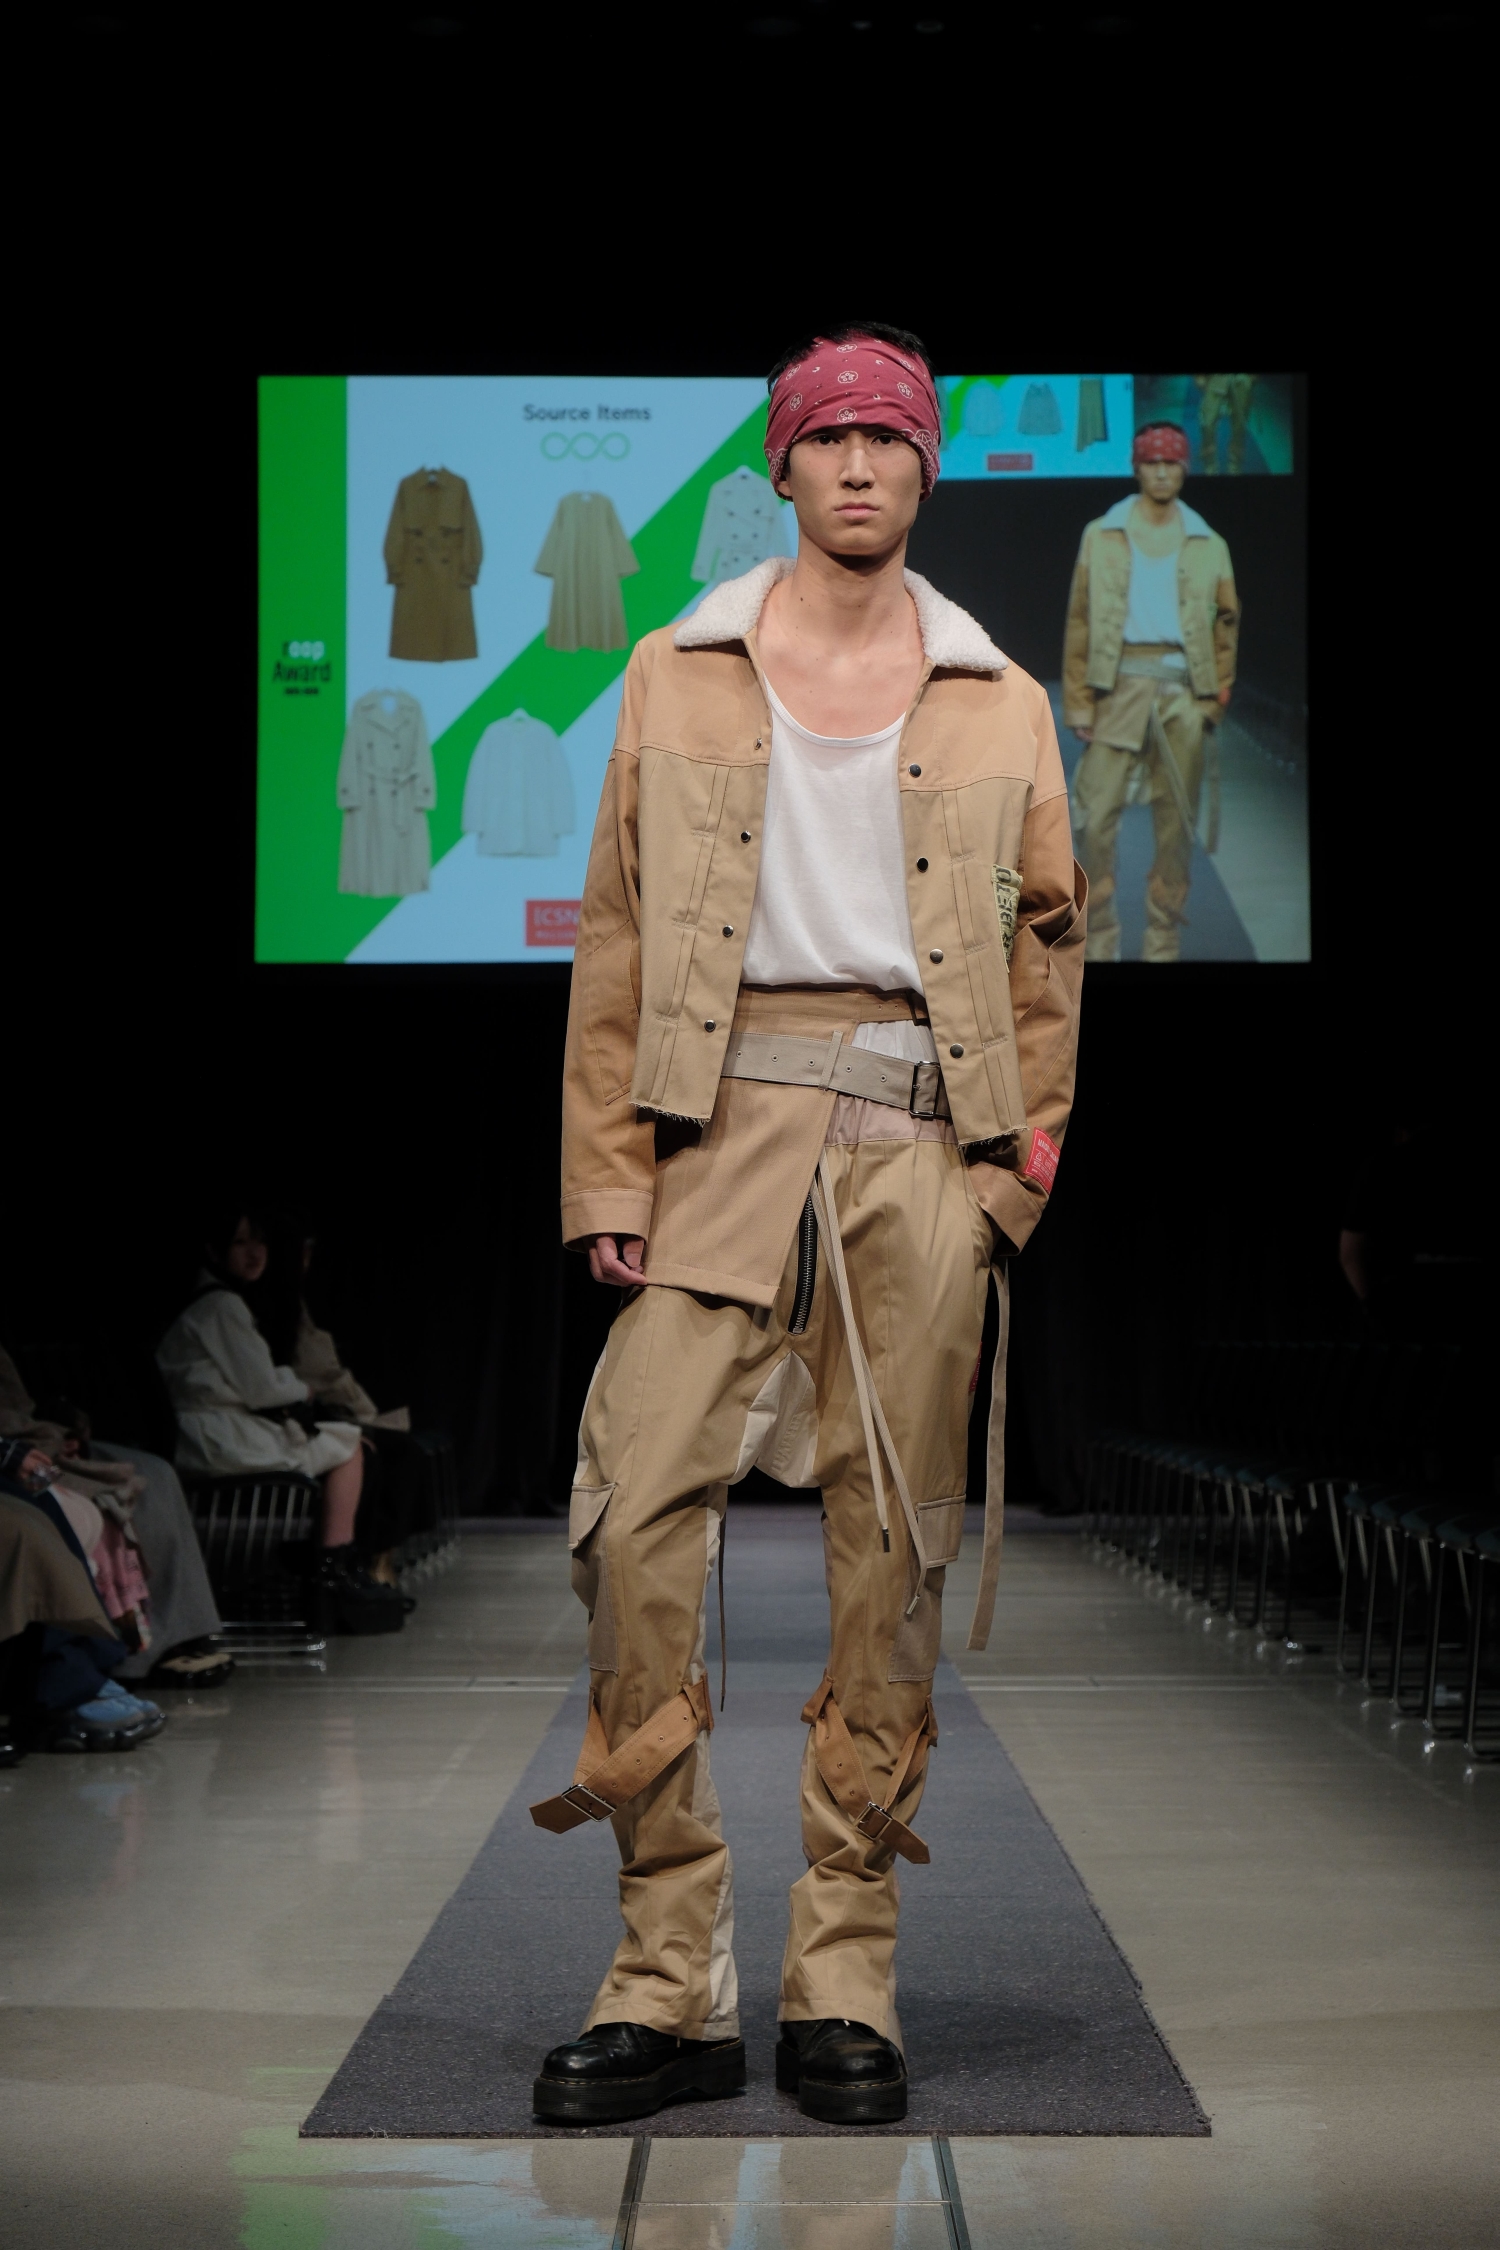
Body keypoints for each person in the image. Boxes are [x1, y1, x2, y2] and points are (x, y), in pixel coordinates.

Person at [532, 324, 1085, 2126]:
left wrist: (1005, 1185)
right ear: (781, 465)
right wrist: (612, 1176)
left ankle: (843, 1976)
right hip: (718, 1135)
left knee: (890, 1558)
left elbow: (1051, 948)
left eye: (889, 439)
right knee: (631, 1528)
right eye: (829, 438)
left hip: (920, 1141)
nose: (859, 466)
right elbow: (619, 930)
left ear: (927, 466)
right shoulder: (676, 665)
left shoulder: (998, 694)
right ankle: (666, 1978)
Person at [155, 1210, 406, 1631]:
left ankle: (334, 1566)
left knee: (350, 1442)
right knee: (349, 1446)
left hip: (215, 1431)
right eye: (240, 1243)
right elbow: (262, 1388)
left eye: (259, 1242)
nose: (254, 1253)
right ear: (214, 1250)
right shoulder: (220, 1305)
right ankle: (331, 1573)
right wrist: (301, 1388)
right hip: (216, 1437)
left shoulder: (217, 1301)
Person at [1063, 423, 1240, 962]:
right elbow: (1080, 619)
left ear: (1184, 469)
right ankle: (1100, 944)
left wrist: (1213, 700)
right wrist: (1080, 701)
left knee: (1175, 827)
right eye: (1152, 463)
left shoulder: (1209, 543)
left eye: (1171, 463)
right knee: (1093, 819)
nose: (1162, 472)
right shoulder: (1102, 534)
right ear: (1137, 468)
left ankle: (1163, 944)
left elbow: (1226, 623)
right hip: (1117, 689)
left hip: (1183, 693)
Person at [0, 1341, 231, 1688]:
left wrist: (59, 1428)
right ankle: (122, 1653)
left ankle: (177, 1634)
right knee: (94, 1504)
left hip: (36, 1436)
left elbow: (19, 1404)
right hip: (19, 1450)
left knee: (156, 1474)